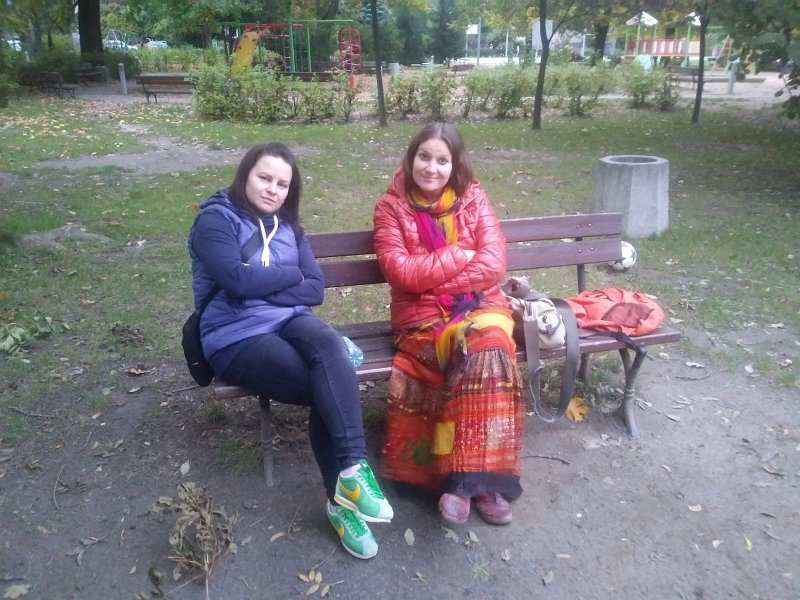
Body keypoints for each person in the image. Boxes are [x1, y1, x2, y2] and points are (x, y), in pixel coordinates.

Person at [188, 143, 393, 559]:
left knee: (328, 346)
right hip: (235, 334)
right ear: (245, 175)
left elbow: (314, 289)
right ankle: (339, 505)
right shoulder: (214, 220)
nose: (273, 189)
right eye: (264, 178)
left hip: (290, 320)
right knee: (327, 386)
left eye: (282, 184)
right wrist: (287, 273)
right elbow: (235, 280)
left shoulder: (289, 227)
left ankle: (352, 472)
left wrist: (261, 281)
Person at [373, 123, 524, 526]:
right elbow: (400, 272)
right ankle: (473, 479)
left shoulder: (474, 198)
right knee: (470, 351)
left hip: (483, 307)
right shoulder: (391, 207)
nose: (432, 168)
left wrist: (430, 279)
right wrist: (459, 255)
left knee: (489, 345)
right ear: (411, 158)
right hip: (420, 320)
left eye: (442, 160)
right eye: (424, 157)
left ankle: (469, 481)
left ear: (455, 164)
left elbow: (493, 265)